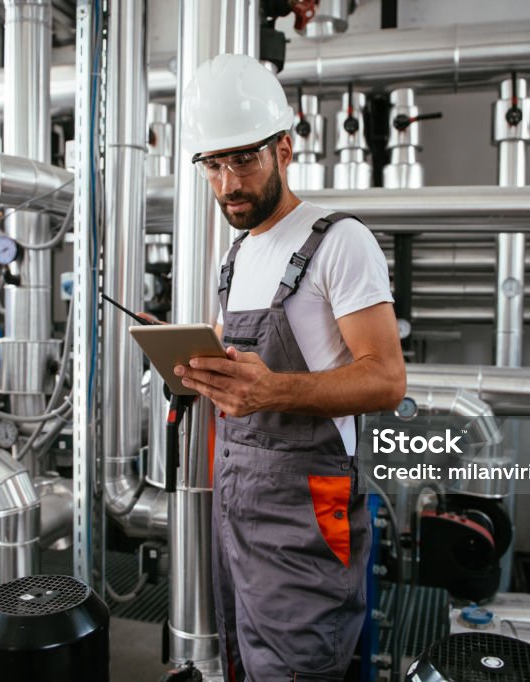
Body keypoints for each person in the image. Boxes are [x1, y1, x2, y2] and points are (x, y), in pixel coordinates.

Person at [174, 53, 406, 681]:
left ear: (284, 147)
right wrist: (193, 368)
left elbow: (386, 379)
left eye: (243, 159)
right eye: (213, 165)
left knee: (302, 660)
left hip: (316, 497)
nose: (229, 184)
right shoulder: (239, 254)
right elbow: (237, 365)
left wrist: (270, 388)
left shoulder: (338, 241)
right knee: (245, 654)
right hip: (241, 497)